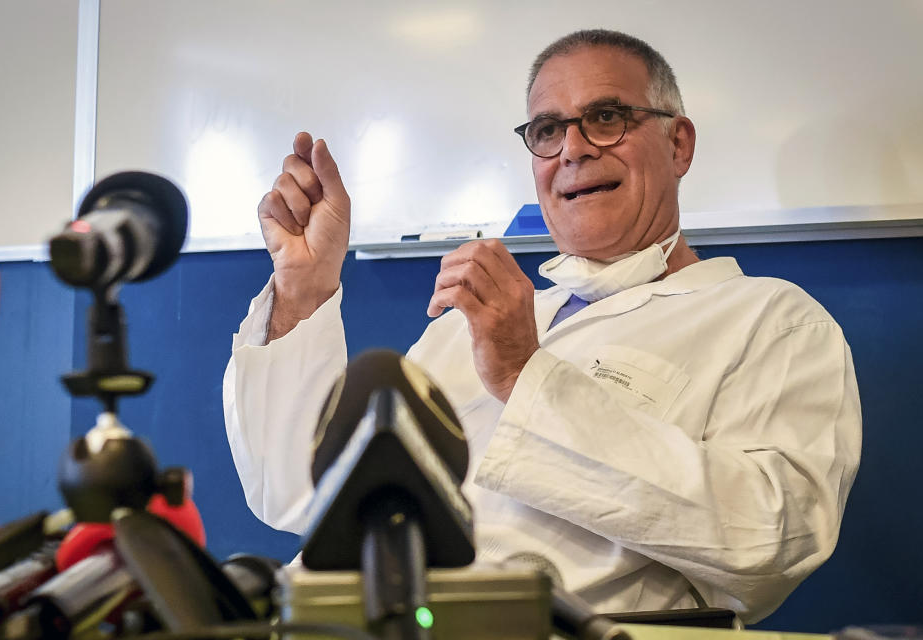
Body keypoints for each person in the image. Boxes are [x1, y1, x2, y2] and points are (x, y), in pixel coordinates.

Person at [223, 29, 861, 623]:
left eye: (607, 117)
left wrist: (524, 376)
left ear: (679, 144)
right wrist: (301, 289)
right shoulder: (477, 317)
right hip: (337, 620)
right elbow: (297, 496)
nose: (574, 149)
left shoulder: (771, 320)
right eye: (549, 129)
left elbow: (774, 539)